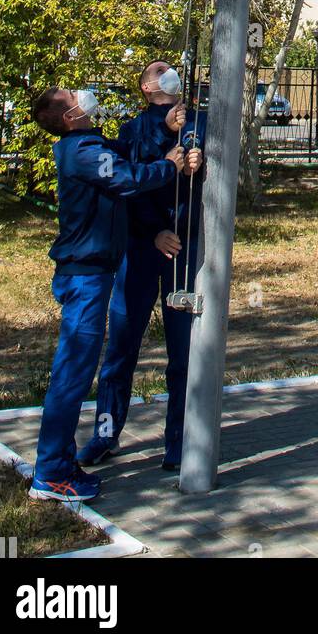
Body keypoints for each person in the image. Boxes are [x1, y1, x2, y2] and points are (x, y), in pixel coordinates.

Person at [28, 86, 184, 502]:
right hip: (86, 278)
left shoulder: (87, 144)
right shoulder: (81, 151)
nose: (84, 95)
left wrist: (164, 131)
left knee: (74, 374)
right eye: (73, 96)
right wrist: (170, 166)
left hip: (91, 275)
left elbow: (128, 152)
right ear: (69, 116)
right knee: (72, 376)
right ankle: (51, 474)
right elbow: (129, 177)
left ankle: (59, 463)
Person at [79, 61, 205, 472]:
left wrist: (199, 163)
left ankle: (178, 440)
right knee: (122, 347)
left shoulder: (199, 123)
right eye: (160, 70)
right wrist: (153, 232)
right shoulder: (135, 128)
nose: (170, 72)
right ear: (148, 87)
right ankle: (106, 432)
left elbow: (213, 180)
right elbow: (130, 182)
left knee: (182, 350)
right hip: (142, 247)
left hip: (183, 248)